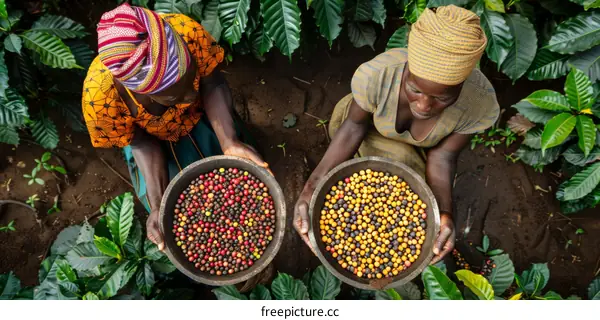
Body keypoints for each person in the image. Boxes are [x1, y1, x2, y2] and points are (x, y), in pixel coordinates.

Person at [293, 5, 499, 264]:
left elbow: (444, 155)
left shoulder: (479, 103)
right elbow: (353, 127)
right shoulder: (377, 76)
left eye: (442, 97)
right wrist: (311, 188)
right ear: (407, 70)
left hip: (412, 149)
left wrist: (444, 213)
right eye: (414, 89)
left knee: (407, 177)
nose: (423, 106)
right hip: (363, 127)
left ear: (461, 85)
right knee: (356, 166)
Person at [82, 3, 269, 250]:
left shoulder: (185, 31)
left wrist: (229, 141)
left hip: (207, 116)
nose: (190, 97)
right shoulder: (101, 99)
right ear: (144, 94)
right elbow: (141, 142)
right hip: (153, 143)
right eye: (174, 97)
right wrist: (159, 203)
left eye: (191, 79)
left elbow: (212, 85)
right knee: (181, 211)